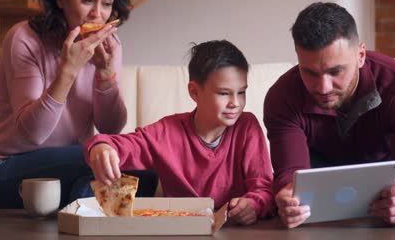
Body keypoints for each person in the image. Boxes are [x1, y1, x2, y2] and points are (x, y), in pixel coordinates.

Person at [264, 2, 395, 228]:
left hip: (383, 194)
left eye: (335, 71)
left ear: (361, 55)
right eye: (309, 73)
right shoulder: (282, 97)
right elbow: (290, 175)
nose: (323, 87)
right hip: (314, 200)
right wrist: (288, 199)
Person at [0, 0, 131, 208]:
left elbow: (110, 127)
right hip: (1, 168)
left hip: (70, 164)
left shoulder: (111, 45)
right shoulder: (24, 38)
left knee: (142, 166)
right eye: (88, 0)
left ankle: (76, 209)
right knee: (101, 158)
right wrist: (68, 70)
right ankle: (81, 206)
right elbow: (34, 134)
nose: (97, 13)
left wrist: (106, 74)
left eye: (107, 4)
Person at [85, 40, 274, 225]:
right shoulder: (167, 131)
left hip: (234, 230)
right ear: (194, 92)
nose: (236, 103)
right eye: (224, 93)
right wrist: (101, 146)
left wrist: (253, 205)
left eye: (241, 92)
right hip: (178, 229)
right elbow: (123, 145)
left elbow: (263, 188)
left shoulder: (247, 126)